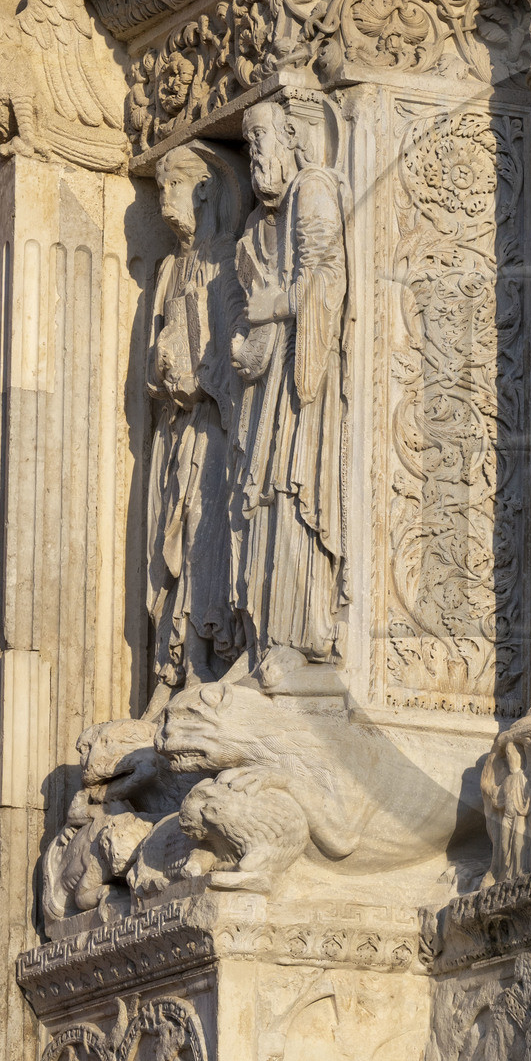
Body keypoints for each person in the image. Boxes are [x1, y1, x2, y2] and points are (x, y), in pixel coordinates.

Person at [230, 98, 350, 664]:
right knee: (269, 493)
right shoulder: (263, 221)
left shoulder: (314, 188)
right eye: (248, 145)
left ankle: (302, 634)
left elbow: (328, 277)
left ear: (293, 138)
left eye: (261, 141)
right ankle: (270, 638)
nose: (254, 156)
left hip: (307, 379)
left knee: (293, 485)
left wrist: (276, 305)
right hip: (276, 378)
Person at [146, 142, 250, 709]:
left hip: (212, 427)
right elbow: (157, 350)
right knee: (173, 532)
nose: (164, 201)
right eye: (158, 186)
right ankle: (170, 665)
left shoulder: (227, 259)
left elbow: (237, 346)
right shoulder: (168, 268)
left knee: (202, 534)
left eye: (173, 186)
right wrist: (163, 370)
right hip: (178, 426)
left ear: (205, 190)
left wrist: (201, 374)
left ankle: (202, 661)